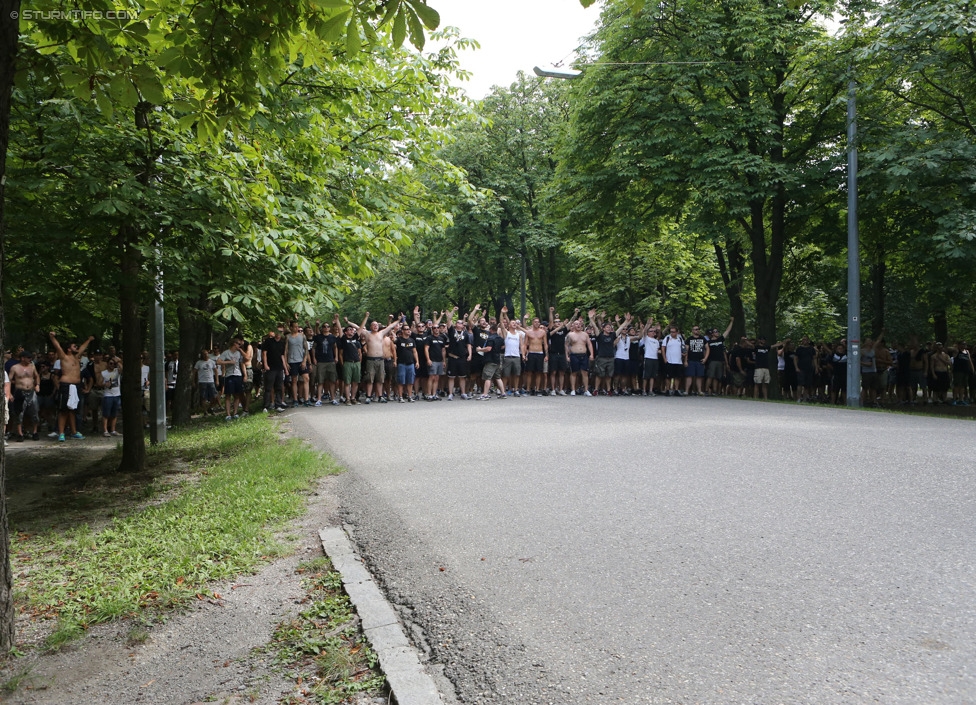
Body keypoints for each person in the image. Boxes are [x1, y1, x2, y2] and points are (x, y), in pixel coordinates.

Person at [48, 331, 94, 441]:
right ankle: (61, 433)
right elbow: (57, 346)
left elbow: (83, 347)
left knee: (73, 410)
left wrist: (89, 339)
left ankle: (74, 432)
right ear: (69, 349)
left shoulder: (77, 357)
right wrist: (52, 337)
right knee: (63, 410)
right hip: (66, 385)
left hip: (76, 386)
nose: (77, 347)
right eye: (74, 346)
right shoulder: (64, 357)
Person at [9, 351, 40, 441]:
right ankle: (20, 434)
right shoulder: (15, 368)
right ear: (23, 358)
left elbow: (37, 376)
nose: (30, 359)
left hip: (31, 391)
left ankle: (35, 432)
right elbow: (8, 380)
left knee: (35, 412)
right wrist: (9, 393)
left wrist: (37, 384)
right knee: (19, 413)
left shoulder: (32, 366)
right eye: (28, 358)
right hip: (20, 392)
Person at [311, 316, 340, 406]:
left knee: (332, 381)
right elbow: (313, 348)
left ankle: (332, 398)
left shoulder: (332, 337)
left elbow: (335, 347)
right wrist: (314, 358)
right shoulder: (318, 337)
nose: (326, 328)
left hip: (330, 360)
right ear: (322, 328)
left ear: (329, 328)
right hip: (321, 361)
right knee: (320, 381)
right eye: (324, 326)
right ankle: (319, 399)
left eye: (327, 326)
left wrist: (336, 357)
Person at [217, 338, 248, 419]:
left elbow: (246, 359)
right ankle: (228, 414)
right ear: (234, 343)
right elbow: (218, 361)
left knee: (237, 395)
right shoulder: (226, 353)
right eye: (238, 344)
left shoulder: (239, 353)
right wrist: (228, 362)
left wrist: (241, 350)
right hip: (229, 375)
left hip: (238, 375)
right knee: (228, 395)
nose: (239, 345)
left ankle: (235, 413)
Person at [262, 327, 287, 412]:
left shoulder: (282, 343)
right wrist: (265, 364)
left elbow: (282, 356)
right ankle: (266, 406)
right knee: (268, 387)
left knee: (279, 387)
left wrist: (285, 368)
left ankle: (278, 405)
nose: (279, 333)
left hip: (279, 367)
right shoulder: (268, 341)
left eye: (281, 332)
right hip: (270, 367)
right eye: (278, 331)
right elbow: (264, 353)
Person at [566, 319, 594, 396]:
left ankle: (586, 390)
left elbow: (589, 344)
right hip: (574, 355)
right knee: (574, 372)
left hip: (584, 355)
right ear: (573, 326)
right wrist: (567, 356)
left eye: (579, 324)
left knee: (585, 372)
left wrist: (591, 354)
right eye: (576, 324)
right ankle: (573, 389)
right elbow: (566, 345)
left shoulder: (585, 334)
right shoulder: (570, 335)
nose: (578, 325)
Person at [338, 324, 364, 405]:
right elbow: (341, 354)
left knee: (355, 382)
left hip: (356, 362)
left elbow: (360, 353)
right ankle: (348, 399)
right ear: (345, 332)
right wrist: (342, 363)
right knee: (347, 382)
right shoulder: (343, 339)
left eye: (352, 329)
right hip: (347, 362)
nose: (352, 330)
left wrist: (366, 317)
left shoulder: (356, 339)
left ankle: (353, 398)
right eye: (349, 329)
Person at [393, 323, 419, 402]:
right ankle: (400, 397)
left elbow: (414, 351)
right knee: (401, 381)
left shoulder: (412, 340)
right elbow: (393, 338)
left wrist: (417, 361)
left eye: (409, 329)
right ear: (402, 331)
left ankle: (410, 396)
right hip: (401, 363)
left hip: (410, 363)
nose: (408, 331)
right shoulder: (399, 340)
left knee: (410, 381)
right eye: (406, 329)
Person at [100, 356, 122, 436]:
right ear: (107, 364)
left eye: (114, 363)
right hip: (108, 395)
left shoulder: (117, 371)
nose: (112, 365)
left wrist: (118, 361)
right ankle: (105, 430)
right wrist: (105, 384)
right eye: (111, 363)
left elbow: (122, 369)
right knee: (106, 414)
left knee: (114, 413)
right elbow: (99, 383)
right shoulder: (104, 373)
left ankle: (113, 430)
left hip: (117, 394)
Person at [661, 325, 685, 396]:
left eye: (674, 332)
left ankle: (676, 390)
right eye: (671, 332)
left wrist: (684, 354)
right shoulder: (667, 338)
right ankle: (667, 389)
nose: (672, 333)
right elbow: (663, 348)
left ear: (677, 332)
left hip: (678, 361)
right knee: (668, 377)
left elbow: (683, 348)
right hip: (670, 360)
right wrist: (665, 358)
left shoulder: (680, 339)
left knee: (677, 376)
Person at [640, 320, 662, 396]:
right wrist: (648, 324)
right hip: (648, 358)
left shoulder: (656, 341)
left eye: (654, 331)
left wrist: (659, 352)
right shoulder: (646, 339)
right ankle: (644, 390)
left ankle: (650, 390)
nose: (653, 332)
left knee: (653, 376)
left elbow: (657, 349)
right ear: (648, 332)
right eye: (651, 331)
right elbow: (644, 332)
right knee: (646, 375)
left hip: (655, 359)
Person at [194, 348, 219, 414]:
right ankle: (205, 411)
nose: (205, 355)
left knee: (214, 397)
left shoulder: (212, 362)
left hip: (211, 381)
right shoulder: (199, 363)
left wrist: (217, 380)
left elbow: (216, 371)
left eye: (206, 354)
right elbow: (194, 372)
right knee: (203, 397)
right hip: (202, 381)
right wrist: (193, 381)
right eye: (204, 354)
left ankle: (210, 408)